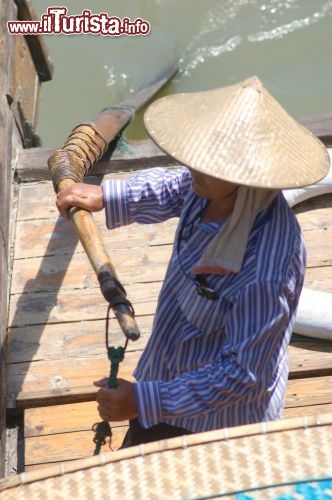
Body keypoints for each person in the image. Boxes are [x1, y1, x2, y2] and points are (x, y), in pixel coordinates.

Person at [56, 76, 329, 447]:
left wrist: (143, 400)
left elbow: (243, 375)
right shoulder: (210, 186)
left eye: (205, 163)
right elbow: (174, 187)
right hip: (168, 371)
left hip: (216, 424)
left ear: (246, 174)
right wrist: (106, 195)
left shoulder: (267, 269)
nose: (191, 165)